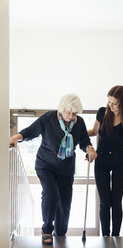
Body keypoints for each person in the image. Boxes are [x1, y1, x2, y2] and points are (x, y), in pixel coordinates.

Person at [9, 93, 97, 245]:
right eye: (68, 112)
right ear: (61, 108)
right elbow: (30, 132)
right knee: (51, 192)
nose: (70, 116)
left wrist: (89, 149)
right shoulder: (48, 118)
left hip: (66, 168)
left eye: (74, 113)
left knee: (64, 202)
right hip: (45, 164)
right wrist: (14, 138)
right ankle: (47, 230)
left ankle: (61, 233)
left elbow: (84, 141)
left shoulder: (79, 122)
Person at [88, 85, 123, 237]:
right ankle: (105, 237)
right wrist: (78, 134)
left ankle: (115, 237)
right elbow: (94, 131)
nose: (111, 105)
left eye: (115, 103)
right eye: (109, 102)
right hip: (101, 159)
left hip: (119, 161)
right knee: (104, 203)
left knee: (116, 202)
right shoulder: (102, 112)